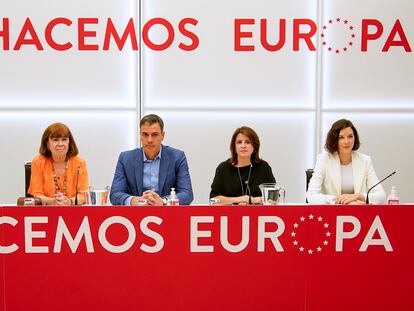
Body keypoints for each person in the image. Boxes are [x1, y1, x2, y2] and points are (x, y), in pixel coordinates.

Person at [110, 114, 193, 205]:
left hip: (168, 215)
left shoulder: (177, 157)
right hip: (134, 216)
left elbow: (187, 194)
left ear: (163, 135)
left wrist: (164, 201)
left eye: (155, 135)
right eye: (145, 134)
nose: (149, 140)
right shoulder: (125, 158)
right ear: (140, 135)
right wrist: (134, 200)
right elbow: (115, 195)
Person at [306, 119, 386, 205]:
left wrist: (358, 196)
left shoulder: (365, 161)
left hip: (358, 213)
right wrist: (342, 201)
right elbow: (311, 196)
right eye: (341, 137)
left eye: (350, 136)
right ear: (334, 140)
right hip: (330, 214)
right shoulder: (324, 160)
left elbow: (381, 196)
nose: (346, 141)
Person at [210, 126, 276, 205]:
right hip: (230, 216)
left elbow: (274, 197)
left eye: (248, 142)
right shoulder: (223, 168)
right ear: (234, 147)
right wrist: (238, 199)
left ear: (255, 146)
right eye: (239, 142)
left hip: (259, 216)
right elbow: (213, 200)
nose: (243, 146)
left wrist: (260, 199)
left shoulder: (264, 167)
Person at [28, 123, 89, 205]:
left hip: (73, 212)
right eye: (55, 140)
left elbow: (84, 195)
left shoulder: (79, 163)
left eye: (64, 139)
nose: (60, 144)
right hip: (45, 213)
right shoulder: (38, 162)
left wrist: (68, 202)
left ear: (69, 143)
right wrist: (53, 201)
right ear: (47, 144)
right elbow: (36, 195)